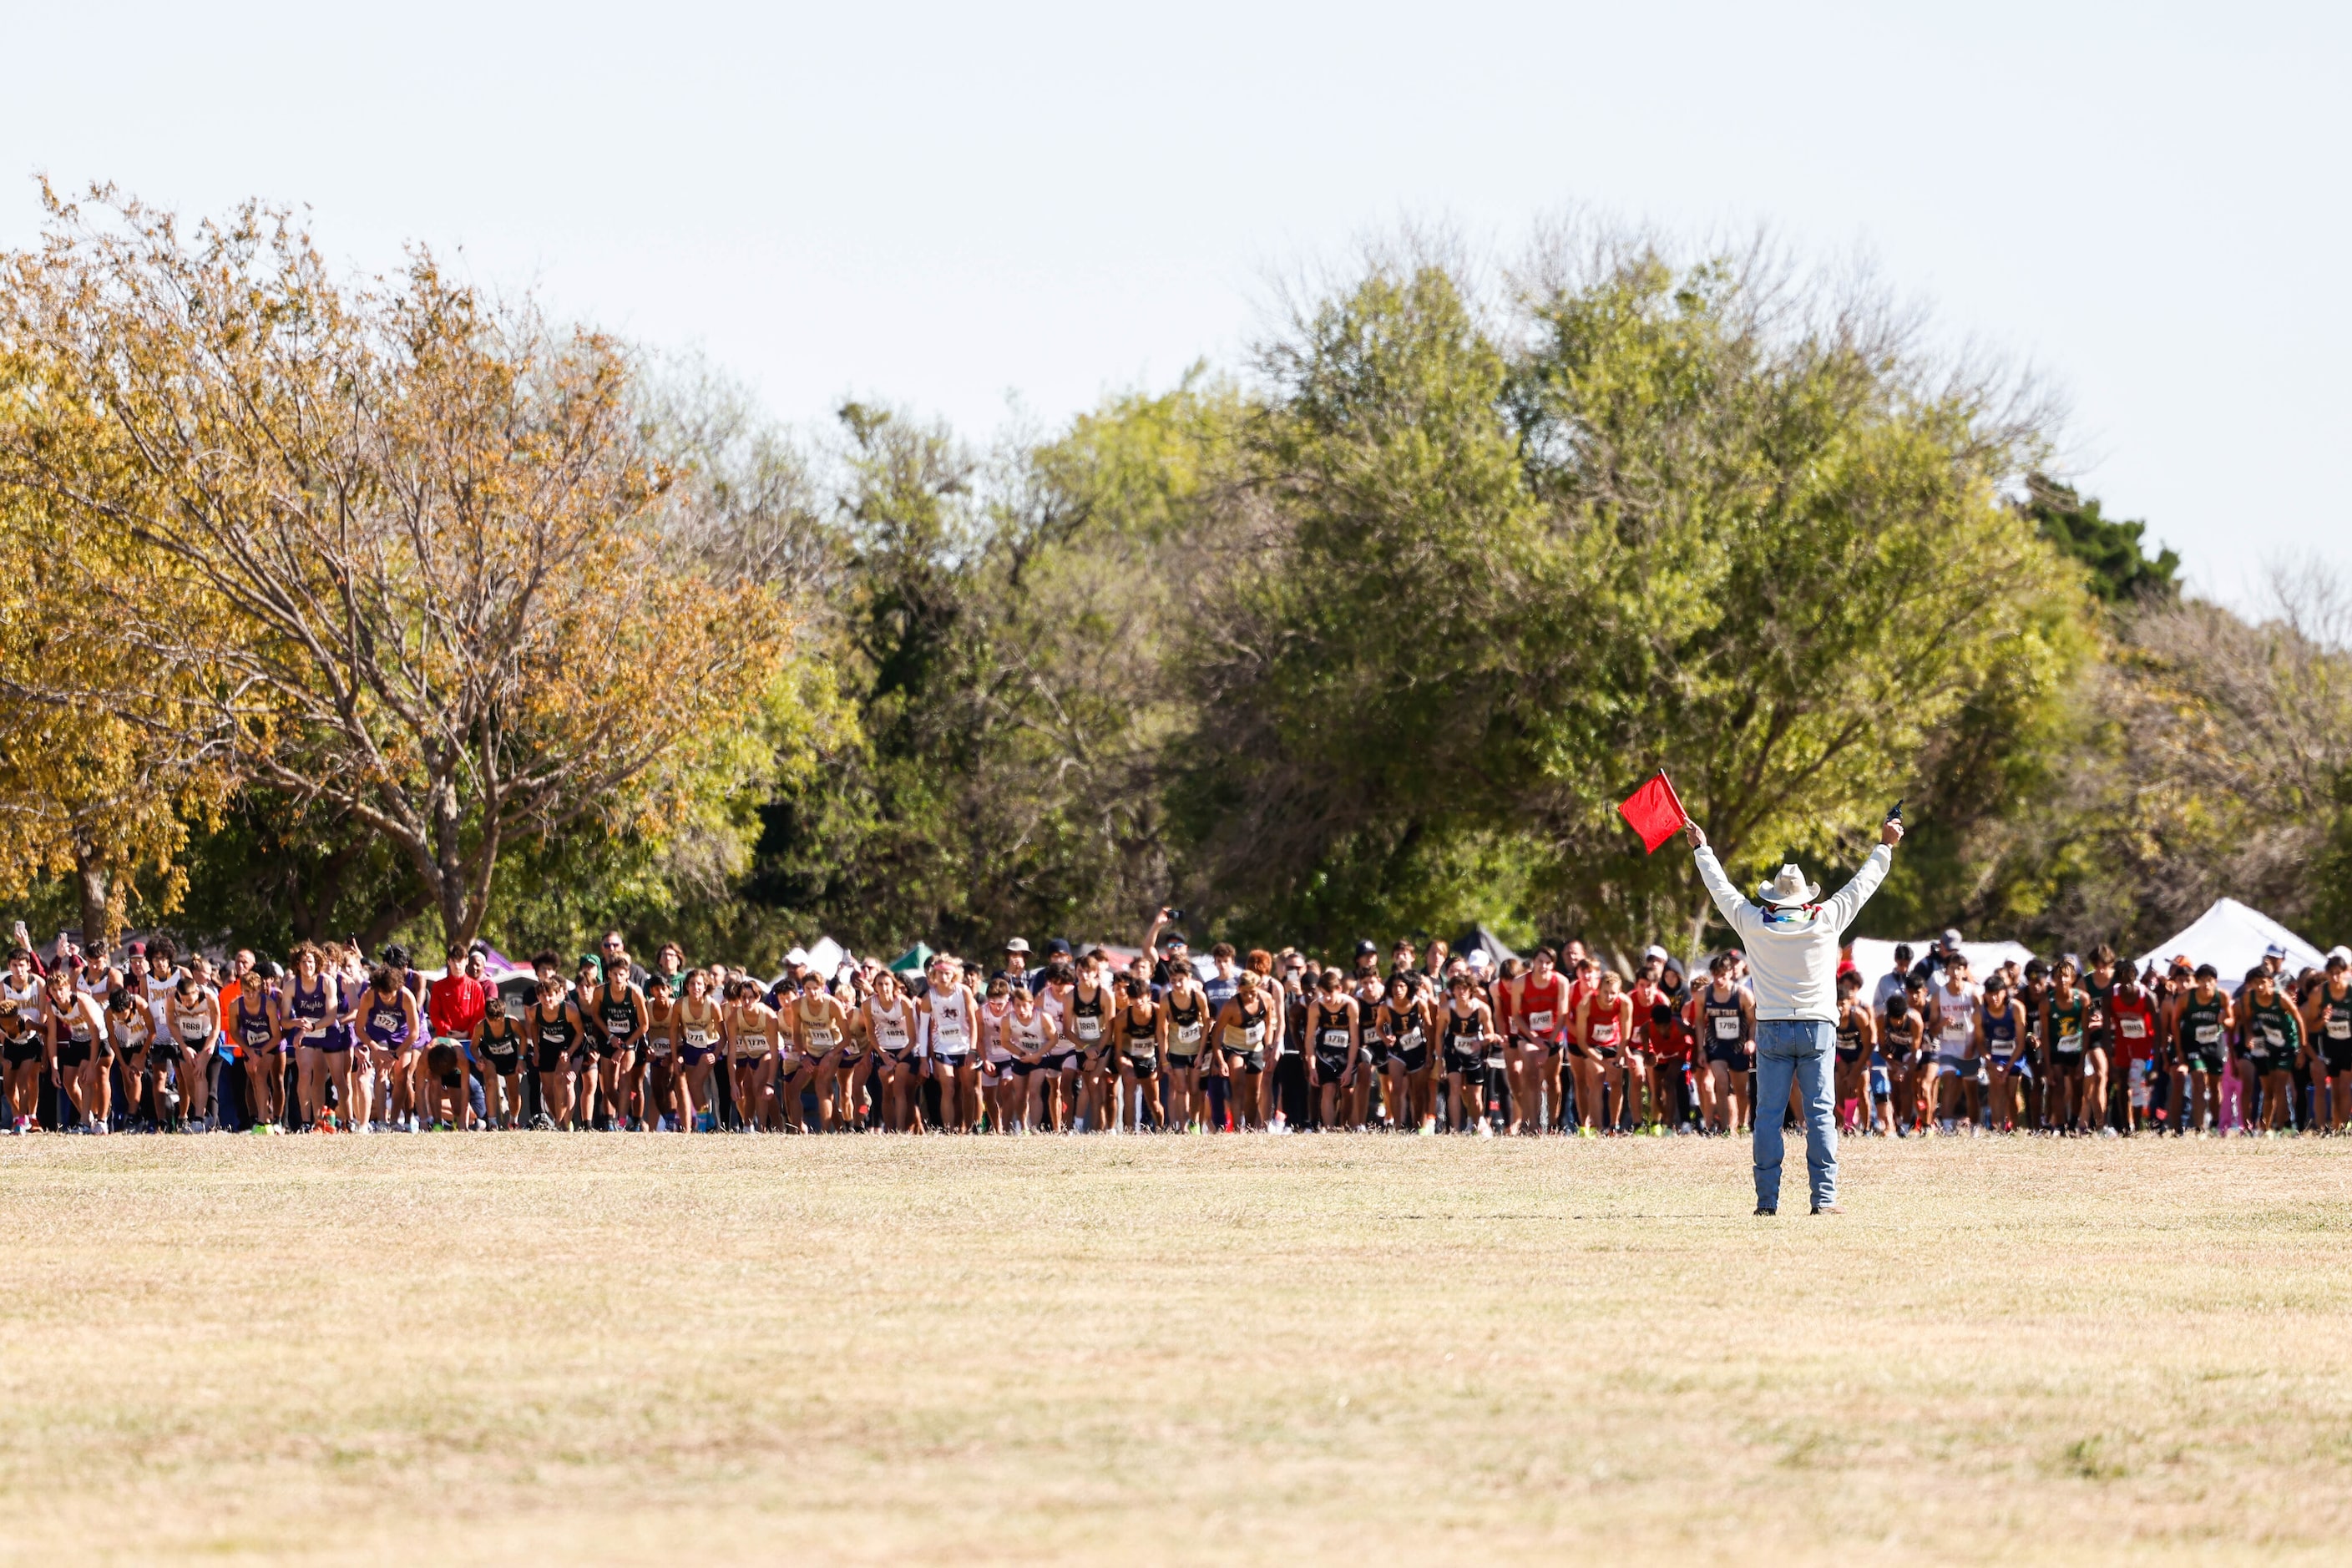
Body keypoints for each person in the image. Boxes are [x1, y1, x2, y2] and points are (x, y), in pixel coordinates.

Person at [1686, 810, 1901, 1215]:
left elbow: (1721, 889)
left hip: (1770, 1027)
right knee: (1820, 1112)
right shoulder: (1826, 920)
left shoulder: (1754, 923)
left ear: (1772, 898)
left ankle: (1767, 1202)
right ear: (1807, 898)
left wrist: (1702, 849)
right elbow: (1863, 884)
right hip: (1817, 1026)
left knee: (1767, 1114)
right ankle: (1824, 1198)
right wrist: (1886, 845)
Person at [1693, 953, 1753, 1136]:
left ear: (1730, 973)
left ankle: (1742, 1124)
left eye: (1723, 975)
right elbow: (1698, 1021)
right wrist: (1701, 1049)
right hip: (1716, 1046)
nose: (1719, 979)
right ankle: (1725, 1127)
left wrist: (1751, 1041)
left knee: (1741, 1090)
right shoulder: (1704, 995)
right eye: (1715, 975)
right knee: (1721, 1082)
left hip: (1738, 1047)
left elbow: (1753, 1020)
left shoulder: (1743, 995)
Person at [2239, 969, 2303, 1134]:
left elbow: (2298, 1018)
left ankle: (2285, 1127)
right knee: (2268, 1090)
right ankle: (2266, 1129)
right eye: (2255, 983)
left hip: (2287, 1044)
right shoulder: (2249, 998)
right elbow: (2246, 1018)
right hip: (2269, 1044)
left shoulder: (2280, 997)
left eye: (2262, 982)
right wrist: (2249, 1034)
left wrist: (2302, 1048)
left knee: (2279, 1086)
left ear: (2270, 982)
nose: (2259, 986)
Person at [2169, 964, 2228, 1136]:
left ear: (2215, 982)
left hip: (2214, 1043)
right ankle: (2200, 1127)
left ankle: (2216, 1124)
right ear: (2197, 981)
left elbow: (2231, 1020)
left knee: (2214, 1084)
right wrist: (2179, 1050)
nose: (2206, 985)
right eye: (2202, 980)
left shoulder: (2222, 996)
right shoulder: (2186, 998)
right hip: (2193, 1044)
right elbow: (2175, 1022)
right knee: (2198, 1081)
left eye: (2209, 980)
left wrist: (2225, 1019)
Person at [2300, 951, 2352, 1133]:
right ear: (2327, 974)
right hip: (2329, 1043)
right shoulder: (2319, 994)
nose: (2336, 977)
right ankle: (2336, 1127)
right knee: (2336, 1088)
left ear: (2346, 972)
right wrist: (2323, 1019)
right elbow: (2311, 1028)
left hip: (2349, 1043)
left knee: (2345, 1087)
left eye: (2339, 972)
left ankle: (2344, 1127)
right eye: (2332, 973)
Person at [1976, 973, 2028, 1134]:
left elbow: (2020, 1042)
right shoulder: (1979, 1013)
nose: (1994, 998)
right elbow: (1980, 1042)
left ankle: (2013, 1126)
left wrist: (2008, 1068)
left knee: (2011, 1093)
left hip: (2015, 1055)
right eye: (1990, 994)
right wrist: (1990, 1061)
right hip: (1995, 1056)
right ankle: (1997, 1128)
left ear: (2004, 992)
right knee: (1996, 1089)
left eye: (1997, 993)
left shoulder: (2016, 1009)